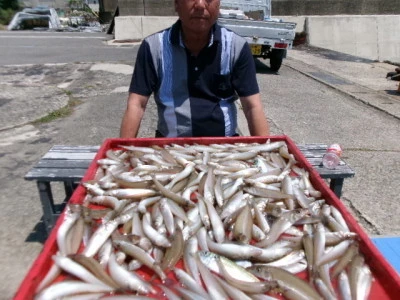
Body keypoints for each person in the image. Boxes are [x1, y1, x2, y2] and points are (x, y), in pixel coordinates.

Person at [120, 0, 270, 138]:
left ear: (218, 5)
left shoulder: (236, 46)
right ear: (176, 4)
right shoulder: (153, 47)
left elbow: (252, 107)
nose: (200, 4)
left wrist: (265, 155)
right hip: (171, 148)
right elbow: (137, 105)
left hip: (224, 148)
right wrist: (123, 153)